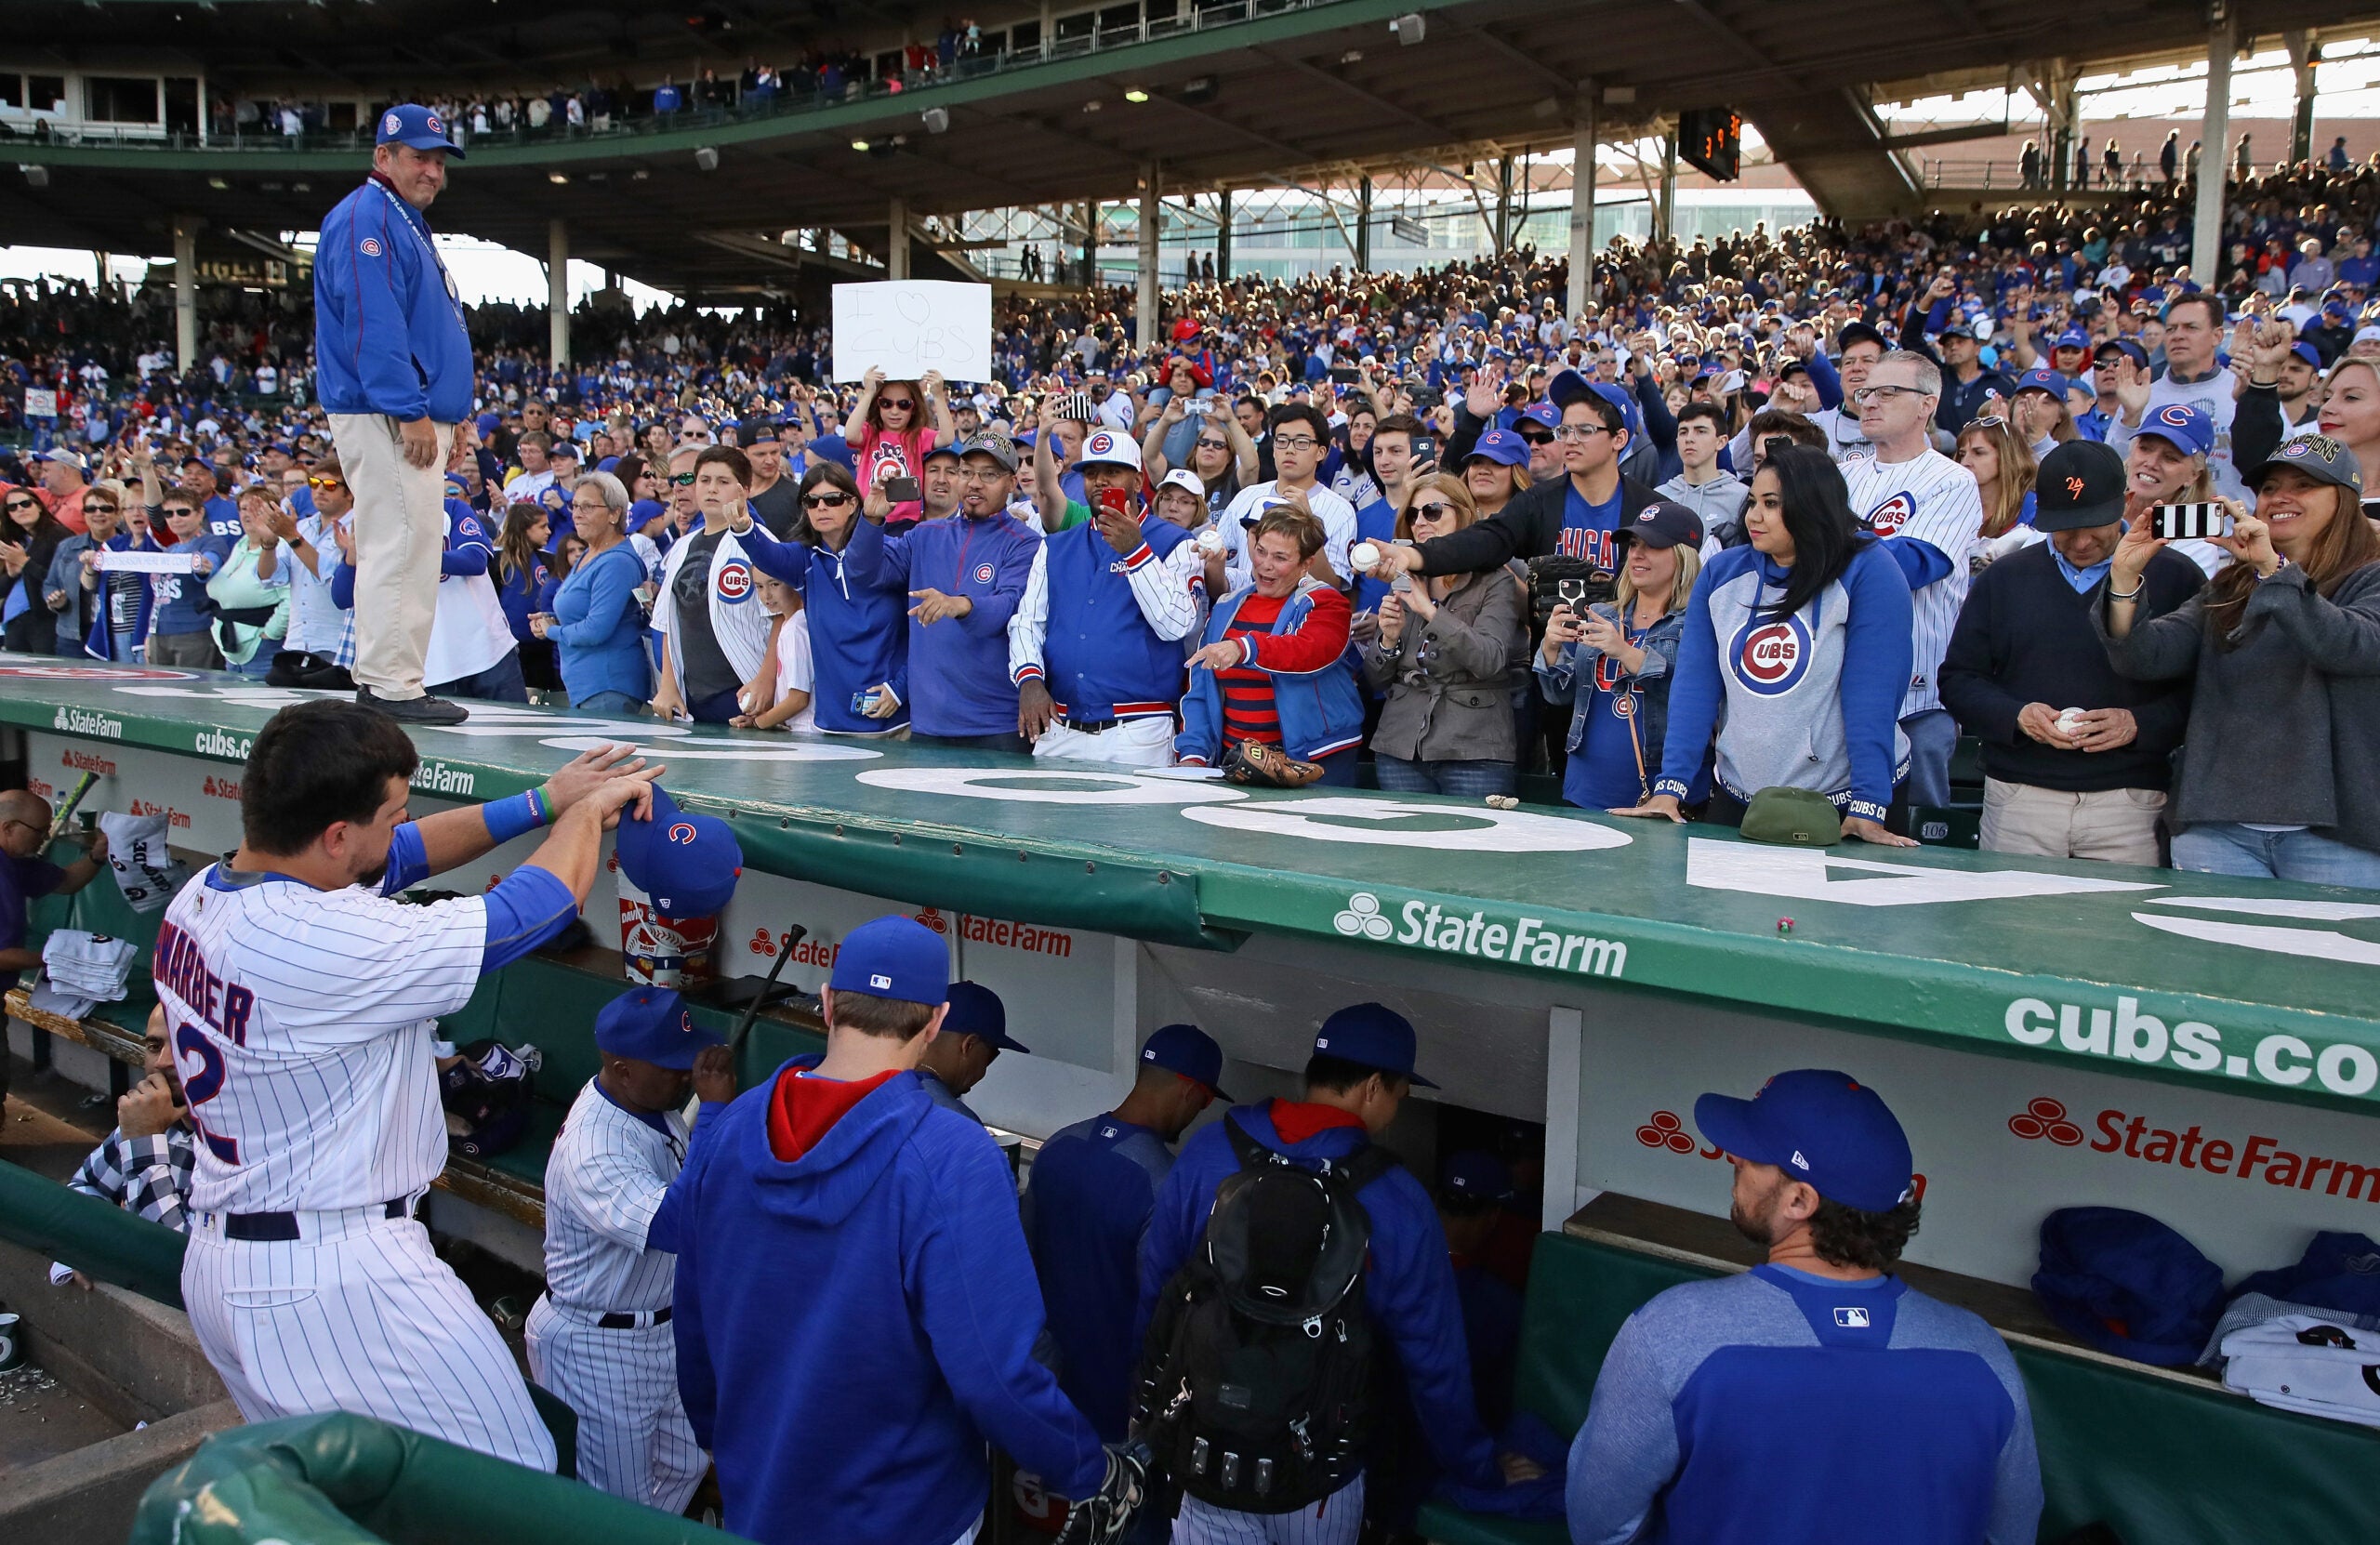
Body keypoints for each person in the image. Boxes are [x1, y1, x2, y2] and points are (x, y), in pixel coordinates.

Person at [161, 703, 660, 1470]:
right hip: (334, 1271)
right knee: (511, 1484)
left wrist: (540, 803)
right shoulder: (317, 941)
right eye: (391, 815)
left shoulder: (204, 894)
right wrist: (587, 814)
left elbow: (397, 860)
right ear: (334, 835)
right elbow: (530, 910)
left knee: (354, 1501)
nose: (402, 828)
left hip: (240, 1254)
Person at [650, 915, 1128, 1545]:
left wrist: (730, 1448)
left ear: (825, 1004)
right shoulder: (952, 1156)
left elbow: (694, 1319)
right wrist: (1087, 1467)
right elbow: (994, 1375)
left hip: (762, 1502)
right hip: (905, 1518)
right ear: (934, 1023)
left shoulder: (732, 1127)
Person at [1565, 1070, 2042, 1545]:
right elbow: (2010, 1536)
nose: (1734, 1156)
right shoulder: (1981, 1355)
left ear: (1799, 1200)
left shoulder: (1674, 1334)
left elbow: (1600, 1528)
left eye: (1754, 1156)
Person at [1138, 1004, 1506, 1544]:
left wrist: (1147, 1415)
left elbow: (1154, 1292)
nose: (1397, 1110)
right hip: (1321, 1475)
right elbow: (1436, 1366)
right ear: (1374, 1087)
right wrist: (1481, 1469)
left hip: (1206, 1455)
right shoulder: (1400, 1200)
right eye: (1401, 1095)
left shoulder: (1210, 1153)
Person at [2100, 434, 2380, 885]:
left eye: (2304, 484)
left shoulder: (2371, 578)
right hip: (2219, 826)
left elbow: (2349, 646)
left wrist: (2274, 571)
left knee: (2321, 959)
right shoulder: (2231, 584)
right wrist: (2125, 576)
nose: (2279, 497)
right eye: (2269, 488)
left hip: (2336, 833)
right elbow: (2146, 657)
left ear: (2345, 500)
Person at [1616, 447, 1914, 843]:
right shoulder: (1722, 572)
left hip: (1846, 801)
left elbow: (1873, 693)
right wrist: (1670, 788)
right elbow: (1696, 685)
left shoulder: (1869, 570)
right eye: (1753, 501)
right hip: (1743, 795)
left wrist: (1869, 802)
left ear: (1812, 505)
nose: (1754, 516)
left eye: (1771, 504)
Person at [525, 986, 735, 1512]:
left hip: (662, 1327)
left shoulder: (646, 1102)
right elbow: (675, 1224)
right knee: (615, 1501)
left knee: (686, 1462)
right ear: (621, 1069)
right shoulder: (593, 1146)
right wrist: (712, 1114)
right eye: (670, 1065)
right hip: (596, 1341)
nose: (686, 1074)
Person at [1940, 441, 2200, 865]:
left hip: (2130, 802)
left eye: (2093, 524)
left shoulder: (2176, 575)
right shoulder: (2004, 577)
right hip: (2020, 798)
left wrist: (2138, 724)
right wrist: (2017, 715)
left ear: (2126, 503)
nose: (2080, 542)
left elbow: (2202, 690)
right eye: (2064, 528)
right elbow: (1958, 679)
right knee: (2005, 932)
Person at [315, 104, 480, 724]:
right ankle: (389, 685)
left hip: (408, 409)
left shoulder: (397, 218)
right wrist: (411, 412)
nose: (432, 170)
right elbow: (375, 325)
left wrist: (451, 416)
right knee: (400, 541)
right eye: (419, 156)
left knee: (411, 544)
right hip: (387, 412)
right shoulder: (367, 216)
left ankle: (391, 679)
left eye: (439, 160)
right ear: (382, 156)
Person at [1024, 1023, 1226, 1442]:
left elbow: (1014, 1263)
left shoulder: (1058, 1146)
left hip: (1036, 1389)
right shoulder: (1164, 1183)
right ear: (1190, 1092)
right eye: (1204, 1102)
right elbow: (1163, 1314)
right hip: (1110, 1408)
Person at [1839, 350, 1985, 810]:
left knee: (1919, 839)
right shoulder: (1844, 474)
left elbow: (1917, 564)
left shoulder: (1952, 480)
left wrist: (1830, 547)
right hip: (1839, 690)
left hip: (1917, 697)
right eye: (1865, 393)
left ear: (1927, 404)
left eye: (1887, 392)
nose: (1870, 402)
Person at [838, 431, 1039, 750]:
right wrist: (872, 518)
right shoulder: (925, 534)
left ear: (1011, 483)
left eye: (989, 474)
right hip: (929, 723)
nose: (974, 482)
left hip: (995, 725)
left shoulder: (1025, 542)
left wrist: (961, 605)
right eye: (967, 471)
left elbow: (1009, 606)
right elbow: (863, 573)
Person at [1012, 431, 1200, 766]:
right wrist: (1029, 678)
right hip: (1060, 725)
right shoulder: (1056, 545)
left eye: (1112, 472)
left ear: (1138, 479)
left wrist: (1136, 551)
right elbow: (1028, 622)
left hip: (1137, 729)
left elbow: (1176, 625)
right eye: (1090, 473)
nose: (1099, 481)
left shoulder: (1176, 541)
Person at [1360, 474, 1528, 796]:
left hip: (1473, 747)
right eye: (1412, 514)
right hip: (1401, 745)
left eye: (1433, 511)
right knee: (1401, 845)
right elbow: (1376, 680)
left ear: (1464, 514)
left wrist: (1430, 612)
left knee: (1473, 846)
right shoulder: (1402, 578)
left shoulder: (1494, 580)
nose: (1420, 521)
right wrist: (1389, 641)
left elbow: (1490, 659)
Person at [1539, 501, 1708, 812]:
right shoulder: (1602, 614)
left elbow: (1694, 700)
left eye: (1652, 545)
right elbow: (1558, 695)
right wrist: (1550, 648)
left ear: (1684, 555)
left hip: (1662, 792)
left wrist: (1625, 652)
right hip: (1586, 786)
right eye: (1633, 545)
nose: (1637, 554)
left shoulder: (1697, 624)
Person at [1177, 502, 1365, 783]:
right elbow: (1201, 690)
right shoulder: (1228, 606)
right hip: (1237, 763)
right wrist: (1194, 754)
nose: (1265, 564)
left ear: (1306, 564)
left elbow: (1309, 652)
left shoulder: (1328, 603)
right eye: (1261, 551)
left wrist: (1243, 648)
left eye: (1280, 557)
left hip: (1315, 762)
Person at [739, 463, 910, 737]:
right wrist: (743, 527)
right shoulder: (805, 559)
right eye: (811, 501)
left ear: (853, 504)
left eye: (833, 499)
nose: (821, 507)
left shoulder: (890, 552)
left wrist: (901, 688)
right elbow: (767, 555)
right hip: (833, 725)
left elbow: (923, 633)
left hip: (895, 721)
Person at [49, 1006, 192, 1288]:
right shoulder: (152, 1116)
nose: (163, 1061)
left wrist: (143, 1141)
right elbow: (85, 1189)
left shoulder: (243, 1143)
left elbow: (179, 1260)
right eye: (154, 1046)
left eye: (183, 1045)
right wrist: (84, 1244)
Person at [650, 446, 775, 724]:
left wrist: (766, 681)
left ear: (745, 490)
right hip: (690, 695)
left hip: (744, 688)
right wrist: (668, 685)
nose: (712, 489)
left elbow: (783, 617)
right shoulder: (681, 548)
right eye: (705, 480)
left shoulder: (760, 542)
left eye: (723, 482)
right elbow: (670, 622)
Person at [2105, 295, 2245, 501]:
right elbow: (2113, 471)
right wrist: (2131, 416)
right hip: (2154, 527)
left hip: (2233, 527)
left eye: (2191, 327)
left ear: (2217, 336)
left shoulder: (2241, 388)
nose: (2177, 336)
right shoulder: (2143, 395)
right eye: (2171, 329)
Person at [536, 469, 652, 713]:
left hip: (608, 685)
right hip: (586, 685)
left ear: (614, 513)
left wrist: (552, 630)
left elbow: (596, 630)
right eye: (575, 506)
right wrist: (551, 620)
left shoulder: (617, 563)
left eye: (587, 507)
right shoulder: (589, 554)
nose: (577, 514)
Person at [1219, 403, 1361, 588]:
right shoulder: (1246, 497)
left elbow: (1332, 587)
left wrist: (1308, 524)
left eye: (1301, 442)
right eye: (1282, 440)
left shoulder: (1340, 510)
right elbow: (1222, 574)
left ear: (1321, 452)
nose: (1289, 449)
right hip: (1243, 610)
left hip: (1304, 614)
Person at [0, 788, 107, 1012]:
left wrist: (97, 856)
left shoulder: (14, 862)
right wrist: (58, 961)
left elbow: (66, 882)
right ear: (8, 828)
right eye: (40, 831)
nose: (46, 838)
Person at [848, 366, 959, 525]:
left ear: (914, 408)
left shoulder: (919, 435)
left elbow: (947, 437)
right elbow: (850, 434)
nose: (894, 411)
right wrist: (869, 393)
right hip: (868, 516)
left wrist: (938, 396)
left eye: (904, 404)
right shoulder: (870, 432)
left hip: (904, 521)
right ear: (877, 405)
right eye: (886, 403)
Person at [143, 487, 233, 669]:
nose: (176, 519)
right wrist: (149, 634)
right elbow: (158, 598)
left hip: (195, 632)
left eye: (183, 512)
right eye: (169, 514)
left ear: (200, 513)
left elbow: (210, 565)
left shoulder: (211, 542)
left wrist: (204, 566)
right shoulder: (169, 549)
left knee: (193, 693)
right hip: (160, 632)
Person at [914, 979, 1029, 1122]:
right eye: (991, 1056)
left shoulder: (884, 1082)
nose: (983, 1072)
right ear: (969, 1045)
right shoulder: (959, 1122)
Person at [1657, 402, 1749, 546]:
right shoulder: (1659, 496)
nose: (1689, 439)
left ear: (1721, 442)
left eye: (1701, 431)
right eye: (1683, 432)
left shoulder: (1741, 498)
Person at [1954, 416, 2040, 570]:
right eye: (1962, 454)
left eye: (1978, 453)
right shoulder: (1952, 505)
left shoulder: (2032, 509)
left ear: (2007, 456)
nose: (1965, 462)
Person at [4, 481, 74, 653]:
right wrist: (13, 574)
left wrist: (25, 563)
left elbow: (65, 580)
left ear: (39, 506)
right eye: (12, 507)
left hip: (46, 620)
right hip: (15, 620)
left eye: (25, 504)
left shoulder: (59, 535)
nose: (20, 509)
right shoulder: (21, 540)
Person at [494, 501, 557, 690]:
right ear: (524, 528)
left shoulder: (549, 560)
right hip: (506, 650)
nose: (549, 532)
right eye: (542, 526)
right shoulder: (495, 561)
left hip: (544, 648)